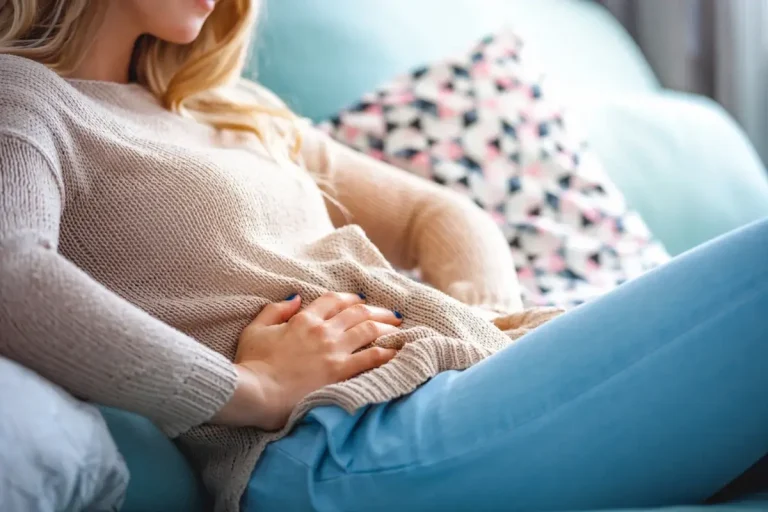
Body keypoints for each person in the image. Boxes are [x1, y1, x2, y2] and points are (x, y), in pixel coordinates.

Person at [0, 1, 765, 511]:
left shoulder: (229, 112)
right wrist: (249, 387)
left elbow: (438, 213)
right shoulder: (27, 97)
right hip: (338, 442)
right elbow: (12, 271)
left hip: (450, 388)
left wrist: (481, 321)